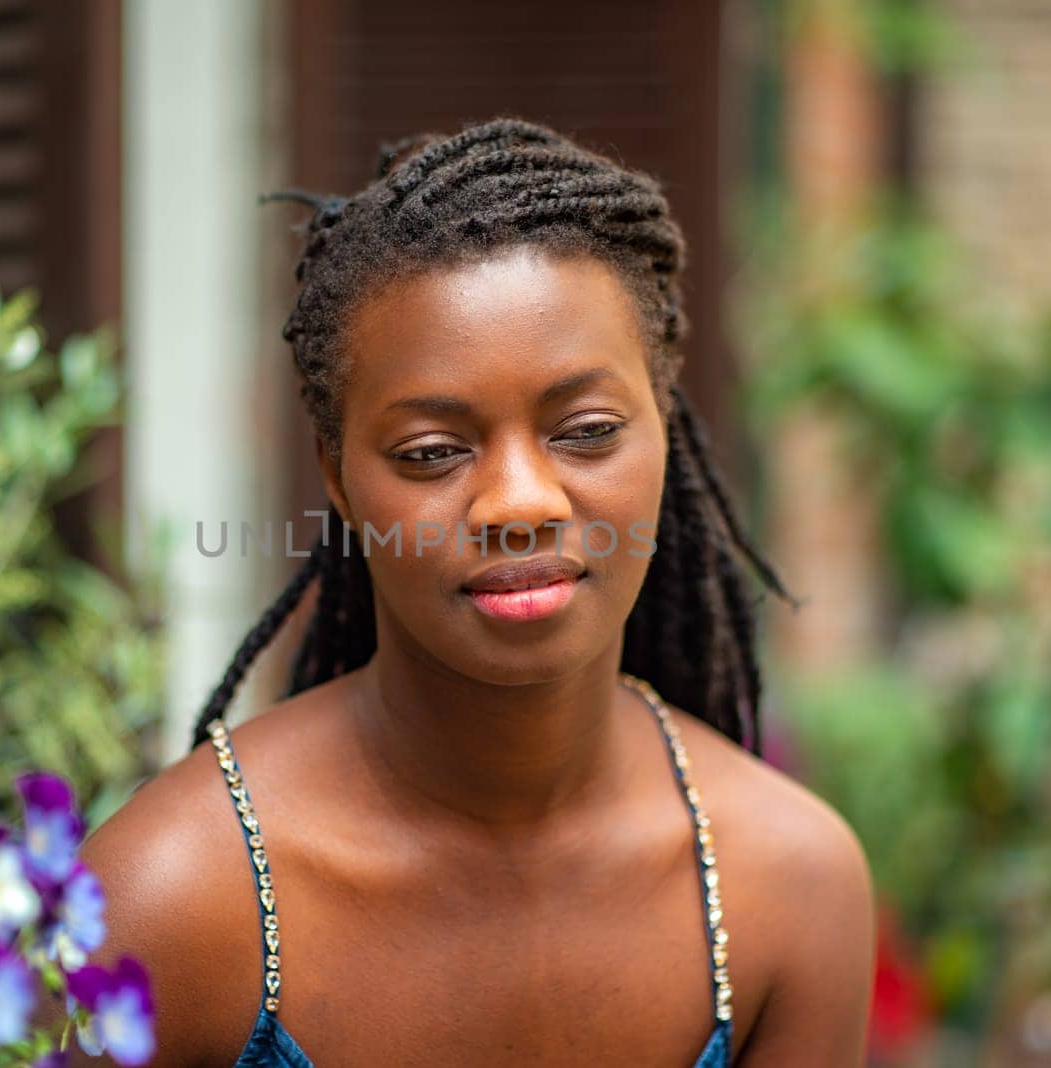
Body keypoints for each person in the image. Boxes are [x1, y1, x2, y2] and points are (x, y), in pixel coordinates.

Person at [79, 117, 875, 1066]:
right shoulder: (167, 902)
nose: (519, 503)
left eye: (584, 430)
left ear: (664, 425)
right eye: (432, 452)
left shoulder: (789, 887)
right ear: (336, 476)